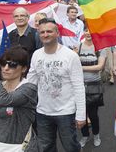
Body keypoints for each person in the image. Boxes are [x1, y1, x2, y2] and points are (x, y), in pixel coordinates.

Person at [27, 18, 86, 152]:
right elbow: (30, 82)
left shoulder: (70, 56)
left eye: (49, 31)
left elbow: (78, 87)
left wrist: (81, 115)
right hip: (42, 112)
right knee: (46, 147)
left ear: (57, 33)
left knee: (71, 147)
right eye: (42, 32)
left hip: (66, 112)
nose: (45, 34)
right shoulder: (36, 55)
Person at [77, 27, 107, 148]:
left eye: (91, 30)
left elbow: (99, 67)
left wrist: (81, 67)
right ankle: (85, 136)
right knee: (81, 114)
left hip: (94, 86)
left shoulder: (100, 47)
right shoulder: (78, 46)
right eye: (86, 30)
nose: (88, 33)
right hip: (79, 85)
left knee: (93, 114)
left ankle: (96, 134)